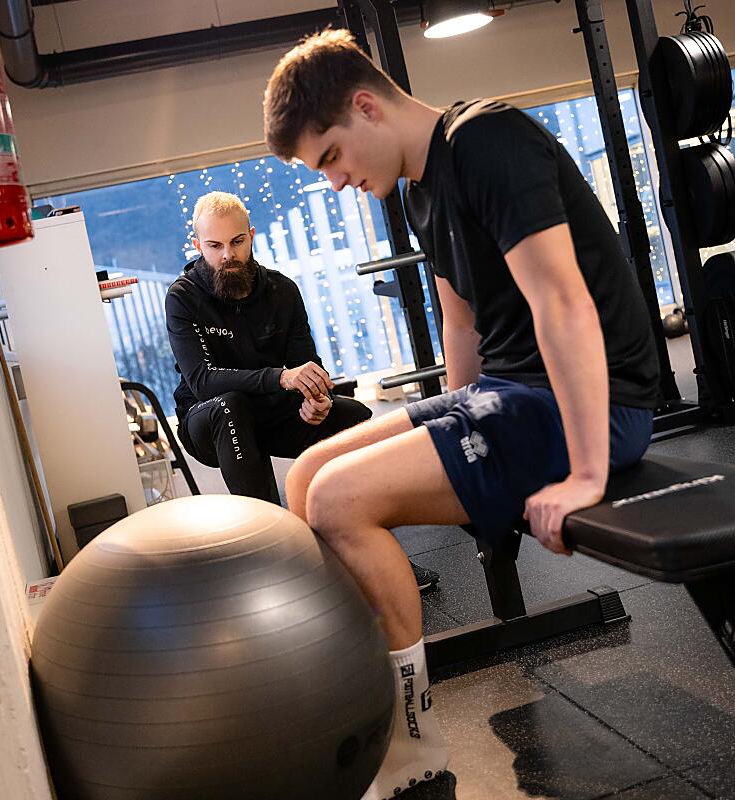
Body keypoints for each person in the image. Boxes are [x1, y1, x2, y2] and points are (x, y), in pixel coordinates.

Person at [263, 30, 659, 799]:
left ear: (367, 106)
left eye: (332, 157)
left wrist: (586, 474)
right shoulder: (421, 188)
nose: (336, 182)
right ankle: (360, 688)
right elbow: (462, 326)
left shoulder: (487, 141)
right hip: (513, 393)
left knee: (339, 499)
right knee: (308, 475)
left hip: (596, 403)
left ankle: (410, 744)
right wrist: (448, 435)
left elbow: (562, 302)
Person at [164, 191, 442, 593]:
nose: (228, 255)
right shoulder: (182, 297)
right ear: (197, 245)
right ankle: (274, 567)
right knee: (230, 406)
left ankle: (375, 554)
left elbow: (307, 365)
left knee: (355, 418)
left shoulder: (282, 290)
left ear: (251, 236)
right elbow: (202, 380)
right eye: (215, 246)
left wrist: (316, 399)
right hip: (211, 422)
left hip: (274, 414)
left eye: (237, 242)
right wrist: (281, 378)